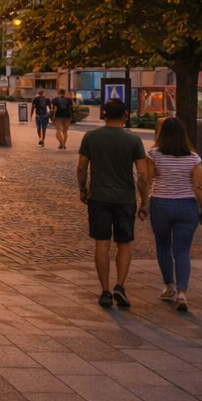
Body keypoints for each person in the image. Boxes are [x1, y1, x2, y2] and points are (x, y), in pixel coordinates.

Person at [75, 98, 147, 309]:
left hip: (99, 197)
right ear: (125, 115)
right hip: (125, 199)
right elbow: (143, 174)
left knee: (102, 243)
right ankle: (120, 286)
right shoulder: (133, 140)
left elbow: (81, 168)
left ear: (104, 114)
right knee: (124, 243)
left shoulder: (91, 137)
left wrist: (82, 189)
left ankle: (105, 290)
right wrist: (145, 201)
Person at [140, 116, 202, 312]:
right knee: (182, 250)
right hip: (187, 205)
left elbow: (147, 179)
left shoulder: (154, 154)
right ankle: (182, 293)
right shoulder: (193, 157)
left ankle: (169, 287)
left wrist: (144, 204)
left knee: (163, 246)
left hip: (161, 203)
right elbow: (198, 185)